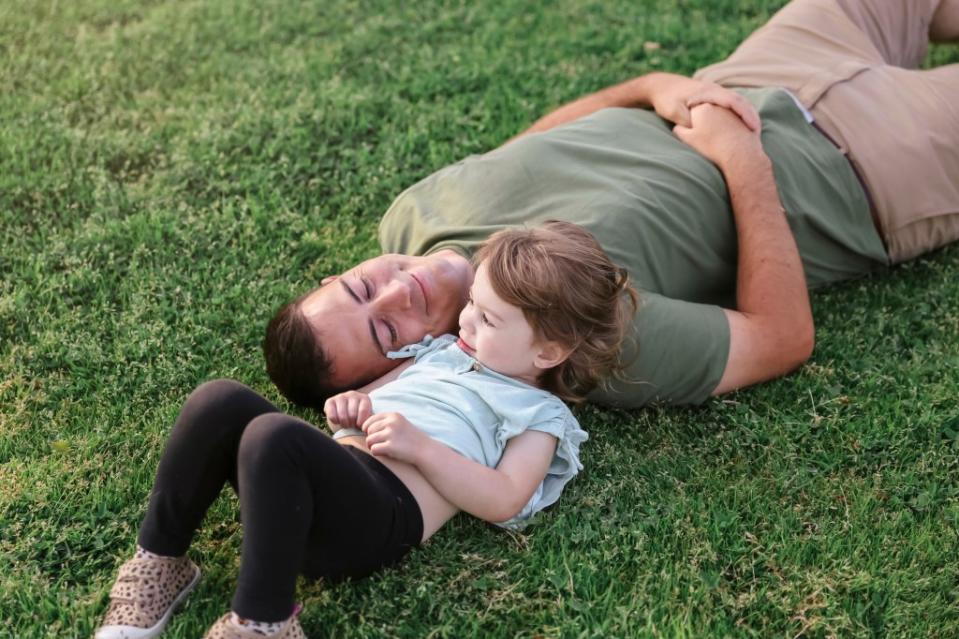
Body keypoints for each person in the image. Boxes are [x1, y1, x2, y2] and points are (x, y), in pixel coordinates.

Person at [263, 0, 959, 411]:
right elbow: (781, 340)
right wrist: (743, 164)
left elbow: (538, 144)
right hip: (864, 171)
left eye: (359, 287)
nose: (394, 292)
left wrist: (650, 85)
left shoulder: (409, 214)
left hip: (751, 77)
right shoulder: (563, 339)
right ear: (408, 368)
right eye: (386, 333)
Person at [94, 222, 636, 639]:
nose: (465, 321)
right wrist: (352, 408)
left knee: (273, 437)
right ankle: (160, 562)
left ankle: (264, 622)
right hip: (324, 487)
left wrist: (420, 449)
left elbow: (504, 501)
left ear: (548, 351)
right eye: (471, 305)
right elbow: (375, 398)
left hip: (383, 517)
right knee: (220, 400)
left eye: (488, 320)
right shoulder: (444, 349)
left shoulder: (540, 416)